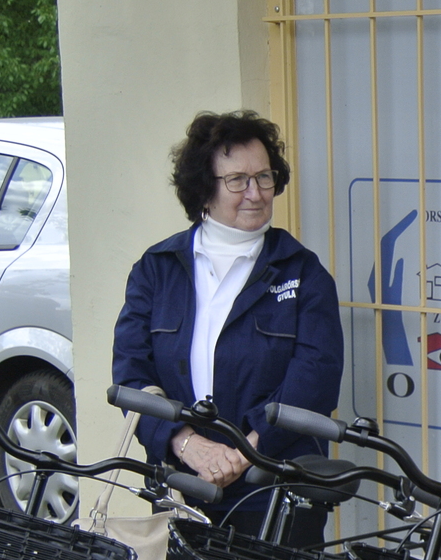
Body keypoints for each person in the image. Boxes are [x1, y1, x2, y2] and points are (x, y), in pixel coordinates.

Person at [113, 109, 343, 538]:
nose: (255, 193)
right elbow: (131, 373)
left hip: (275, 489)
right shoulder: (157, 269)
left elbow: (316, 380)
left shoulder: (303, 273)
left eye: (264, 177)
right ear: (204, 189)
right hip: (181, 485)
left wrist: (245, 452)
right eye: (237, 180)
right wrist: (187, 445)